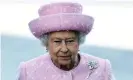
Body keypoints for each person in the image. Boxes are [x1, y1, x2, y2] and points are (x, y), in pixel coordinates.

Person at [17, 2, 115, 80]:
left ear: (79, 42)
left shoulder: (101, 68)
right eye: (57, 41)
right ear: (46, 44)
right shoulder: (28, 71)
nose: (64, 49)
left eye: (70, 41)